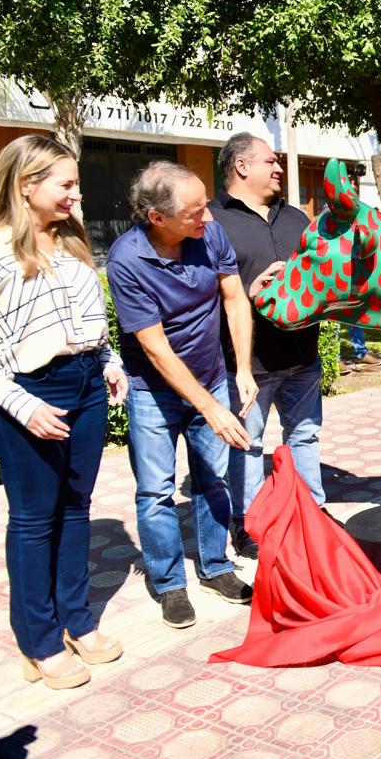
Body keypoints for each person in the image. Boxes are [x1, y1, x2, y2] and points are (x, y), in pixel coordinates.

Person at [0, 135, 128, 688]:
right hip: (20, 391)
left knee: (75, 507)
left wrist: (109, 361)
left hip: (86, 382)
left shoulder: (71, 243)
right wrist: (25, 406)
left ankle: (77, 622)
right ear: (25, 185)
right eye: (65, 184)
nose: (75, 194)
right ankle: (38, 641)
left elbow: (90, 322)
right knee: (34, 518)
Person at [106, 160, 257, 629]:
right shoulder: (126, 260)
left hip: (211, 375)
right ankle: (170, 583)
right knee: (156, 492)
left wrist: (243, 368)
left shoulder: (208, 235)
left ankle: (216, 568)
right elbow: (154, 348)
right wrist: (209, 407)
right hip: (154, 392)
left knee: (214, 479)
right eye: (194, 212)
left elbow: (234, 297)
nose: (208, 218)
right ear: (158, 218)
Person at [210, 133, 328, 559]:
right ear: (241, 167)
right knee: (248, 445)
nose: (278, 168)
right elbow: (202, 291)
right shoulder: (211, 221)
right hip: (247, 365)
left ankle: (313, 513)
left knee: (306, 436)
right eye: (270, 162)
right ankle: (248, 523)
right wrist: (248, 291)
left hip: (303, 358)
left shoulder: (297, 220)